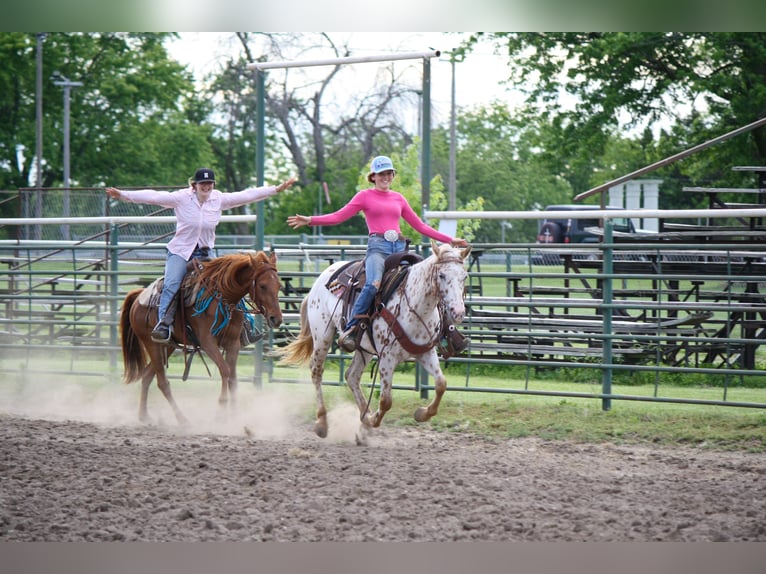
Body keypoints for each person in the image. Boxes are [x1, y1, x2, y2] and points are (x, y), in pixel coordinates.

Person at [287, 155, 468, 352]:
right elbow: (338, 216)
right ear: (373, 176)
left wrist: (449, 240)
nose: (386, 177)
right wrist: (310, 220)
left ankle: (444, 331)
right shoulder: (364, 196)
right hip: (378, 249)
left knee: (427, 280)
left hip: (400, 248)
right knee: (373, 284)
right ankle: (352, 329)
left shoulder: (398, 198)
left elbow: (420, 226)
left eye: (389, 173)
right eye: (382, 174)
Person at [106, 168, 296, 343]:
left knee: (230, 281)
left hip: (205, 253)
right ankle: (164, 323)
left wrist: (275, 189)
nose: (206, 187)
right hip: (181, 251)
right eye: (202, 183)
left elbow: (246, 195)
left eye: (209, 183)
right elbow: (154, 196)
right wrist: (123, 195)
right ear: (194, 185)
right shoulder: (181, 198)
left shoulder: (218, 199)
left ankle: (246, 325)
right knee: (172, 283)